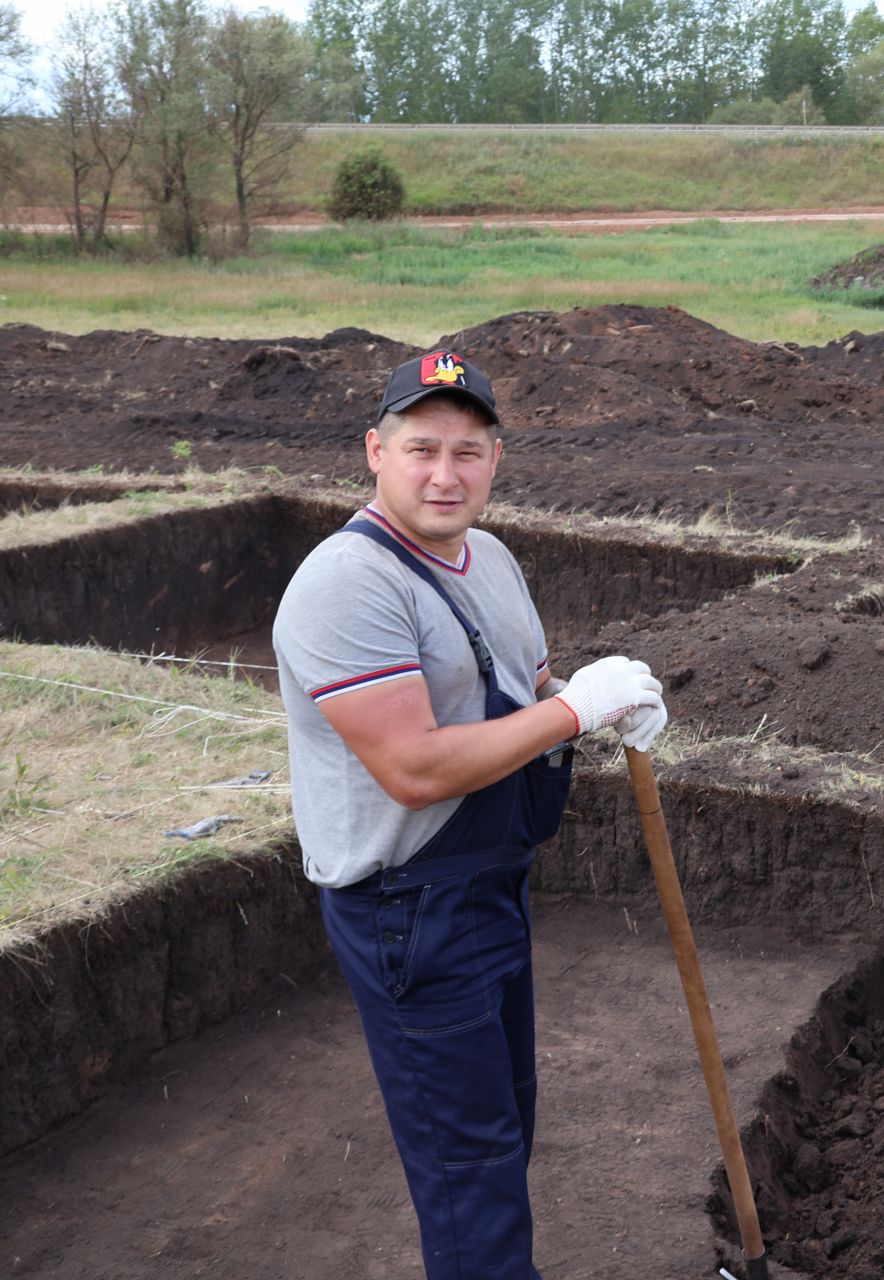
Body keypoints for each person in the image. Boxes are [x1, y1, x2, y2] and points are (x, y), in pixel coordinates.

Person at [273, 349, 667, 1279]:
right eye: (421, 449)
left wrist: (589, 699)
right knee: (469, 1169)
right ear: (375, 451)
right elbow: (412, 766)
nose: (444, 474)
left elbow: (516, 692)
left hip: (490, 885)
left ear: (497, 459)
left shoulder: (486, 557)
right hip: (407, 906)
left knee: (505, 1126)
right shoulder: (347, 585)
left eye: (467, 451)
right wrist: (573, 713)